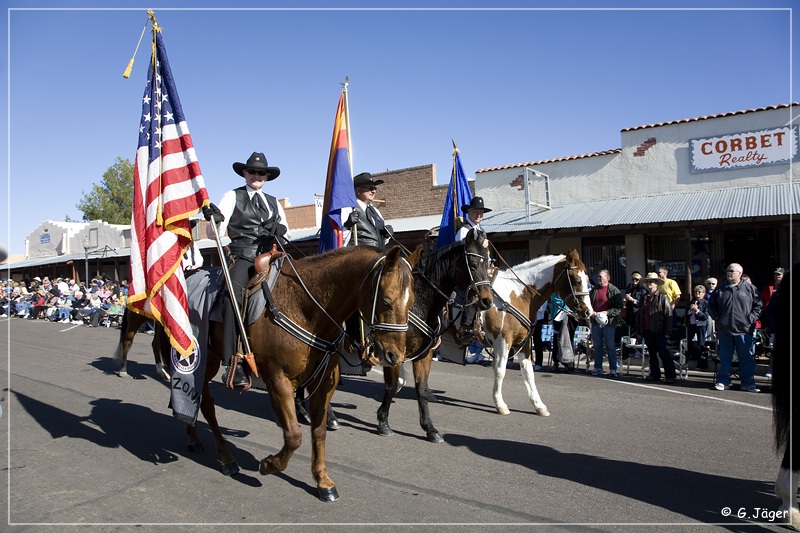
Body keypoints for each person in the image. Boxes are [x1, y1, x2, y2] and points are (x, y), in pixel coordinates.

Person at [204, 151, 290, 391]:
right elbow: (214, 233)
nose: (257, 176)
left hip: (271, 255)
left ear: (266, 177)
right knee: (234, 294)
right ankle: (234, 360)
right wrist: (216, 219)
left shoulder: (273, 202)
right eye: (252, 171)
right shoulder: (232, 196)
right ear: (245, 173)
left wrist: (279, 229)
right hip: (243, 255)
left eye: (261, 173)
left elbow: (287, 231)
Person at [708, 263, 763, 392]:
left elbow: (758, 306)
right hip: (725, 330)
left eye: (732, 271)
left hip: (744, 330)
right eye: (727, 270)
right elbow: (711, 305)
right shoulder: (720, 289)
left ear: (739, 273)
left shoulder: (750, 289)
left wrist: (750, 319)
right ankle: (723, 381)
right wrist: (718, 318)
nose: (729, 273)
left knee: (746, 358)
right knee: (725, 358)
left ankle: (748, 383)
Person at [455, 196, 492, 345]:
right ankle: (466, 328)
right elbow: (461, 252)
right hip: (467, 271)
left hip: (481, 270)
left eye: (481, 212)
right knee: (474, 294)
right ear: (469, 212)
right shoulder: (464, 230)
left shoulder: (482, 231)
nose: (479, 215)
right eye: (476, 211)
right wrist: (481, 246)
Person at [637, 272, 676, 384]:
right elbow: (639, 314)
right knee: (652, 354)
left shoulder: (662, 297)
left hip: (659, 330)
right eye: (648, 282)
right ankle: (654, 374)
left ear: (656, 284)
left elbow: (668, 314)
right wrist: (639, 330)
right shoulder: (644, 297)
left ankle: (670, 375)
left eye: (651, 282)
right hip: (646, 329)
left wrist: (667, 332)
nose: (649, 284)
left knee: (664, 353)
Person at [588, 269, 624, 377]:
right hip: (596, 322)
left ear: (607, 278)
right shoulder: (594, 290)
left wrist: (606, 312)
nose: (598, 279)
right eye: (598, 277)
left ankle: (613, 369)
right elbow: (589, 303)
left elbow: (618, 308)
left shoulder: (614, 290)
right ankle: (598, 367)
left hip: (609, 323)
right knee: (597, 346)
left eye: (601, 277)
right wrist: (592, 312)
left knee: (610, 346)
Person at [344, 172, 391, 249]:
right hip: (359, 258)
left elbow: (380, 242)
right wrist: (347, 226)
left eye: (375, 188)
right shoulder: (348, 209)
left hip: (377, 257)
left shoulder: (376, 211)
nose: (374, 191)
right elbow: (339, 240)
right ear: (358, 190)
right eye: (370, 188)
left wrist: (386, 235)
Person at [686, 285, 709, 368]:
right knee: (688, 342)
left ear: (703, 293)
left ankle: (702, 363)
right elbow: (686, 314)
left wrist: (697, 311)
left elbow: (705, 316)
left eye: (699, 292)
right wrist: (690, 310)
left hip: (701, 325)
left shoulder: (706, 303)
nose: (697, 294)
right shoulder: (691, 302)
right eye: (696, 292)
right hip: (691, 324)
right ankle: (691, 358)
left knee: (701, 344)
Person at [623, 271, 646, 336]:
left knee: (637, 328)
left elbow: (642, 303)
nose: (634, 281)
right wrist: (626, 300)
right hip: (630, 311)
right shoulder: (629, 287)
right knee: (630, 327)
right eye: (633, 279)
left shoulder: (642, 289)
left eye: (637, 279)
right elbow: (626, 296)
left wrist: (632, 300)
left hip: (637, 312)